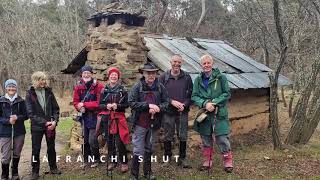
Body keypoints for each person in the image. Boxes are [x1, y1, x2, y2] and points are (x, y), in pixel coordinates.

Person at [191, 55, 233, 173]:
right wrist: (205, 103)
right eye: (204, 63)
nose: (206, 65)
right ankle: (207, 161)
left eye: (208, 63)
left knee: (221, 138)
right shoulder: (198, 80)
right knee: (205, 138)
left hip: (219, 113)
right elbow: (194, 96)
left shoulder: (221, 77)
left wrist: (213, 103)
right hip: (205, 114)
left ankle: (228, 161)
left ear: (212, 63)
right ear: (201, 65)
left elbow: (226, 93)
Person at [128, 62, 169, 180]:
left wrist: (158, 108)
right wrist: (148, 106)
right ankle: (134, 174)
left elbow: (166, 103)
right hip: (140, 123)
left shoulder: (161, 87)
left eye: (153, 73)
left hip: (154, 123)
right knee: (138, 149)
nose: (151, 75)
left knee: (149, 148)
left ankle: (148, 172)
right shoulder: (137, 87)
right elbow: (131, 103)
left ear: (156, 74)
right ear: (144, 74)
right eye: (148, 73)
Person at [25, 72, 61, 180]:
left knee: (51, 147)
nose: (43, 82)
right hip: (37, 127)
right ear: (35, 81)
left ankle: (53, 168)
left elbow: (56, 109)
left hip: (51, 125)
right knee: (36, 149)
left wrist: (54, 121)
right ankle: (35, 171)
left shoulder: (49, 92)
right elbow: (30, 114)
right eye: (41, 80)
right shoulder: (29, 93)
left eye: (44, 80)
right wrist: (44, 123)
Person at [159, 54, 193, 168]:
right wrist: (171, 101)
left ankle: (182, 159)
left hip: (182, 111)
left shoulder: (187, 77)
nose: (176, 64)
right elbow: (160, 95)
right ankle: (167, 158)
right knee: (168, 135)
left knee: (183, 135)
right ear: (170, 62)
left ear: (181, 63)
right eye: (174, 61)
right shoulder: (163, 77)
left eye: (179, 62)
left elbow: (190, 95)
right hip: (168, 112)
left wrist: (185, 104)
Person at [97, 67, 130, 173]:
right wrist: (107, 106)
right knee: (109, 140)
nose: (113, 76)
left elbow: (126, 104)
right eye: (112, 75)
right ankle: (112, 161)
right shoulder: (104, 90)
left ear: (118, 77)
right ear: (109, 76)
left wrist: (118, 106)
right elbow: (100, 104)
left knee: (120, 141)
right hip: (107, 118)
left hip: (118, 118)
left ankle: (124, 162)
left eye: (115, 75)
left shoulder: (123, 90)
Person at [73, 65, 104, 168]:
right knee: (85, 140)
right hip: (84, 117)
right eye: (84, 73)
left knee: (92, 139)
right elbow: (75, 101)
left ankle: (96, 159)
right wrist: (79, 107)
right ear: (82, 74)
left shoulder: (98, 86)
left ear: (91, 74)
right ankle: (87, 159)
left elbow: (99, 103)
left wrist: (85, 105)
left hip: (95, 116)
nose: (86, 75)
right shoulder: (78, 86)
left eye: (88, 73)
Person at [0, 79, 28, 180]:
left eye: (13, 86)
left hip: (19, 131)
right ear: (6, 88)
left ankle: (15, 173)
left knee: (17, 152)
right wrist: (8, 121)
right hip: (4, 132)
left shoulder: (21, 101)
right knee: (5, 155)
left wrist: (17, 117)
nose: (11, 88)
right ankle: (4, 174)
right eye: (9, 86)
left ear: (16, 88)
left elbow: (26, 115)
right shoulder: (1, 100)